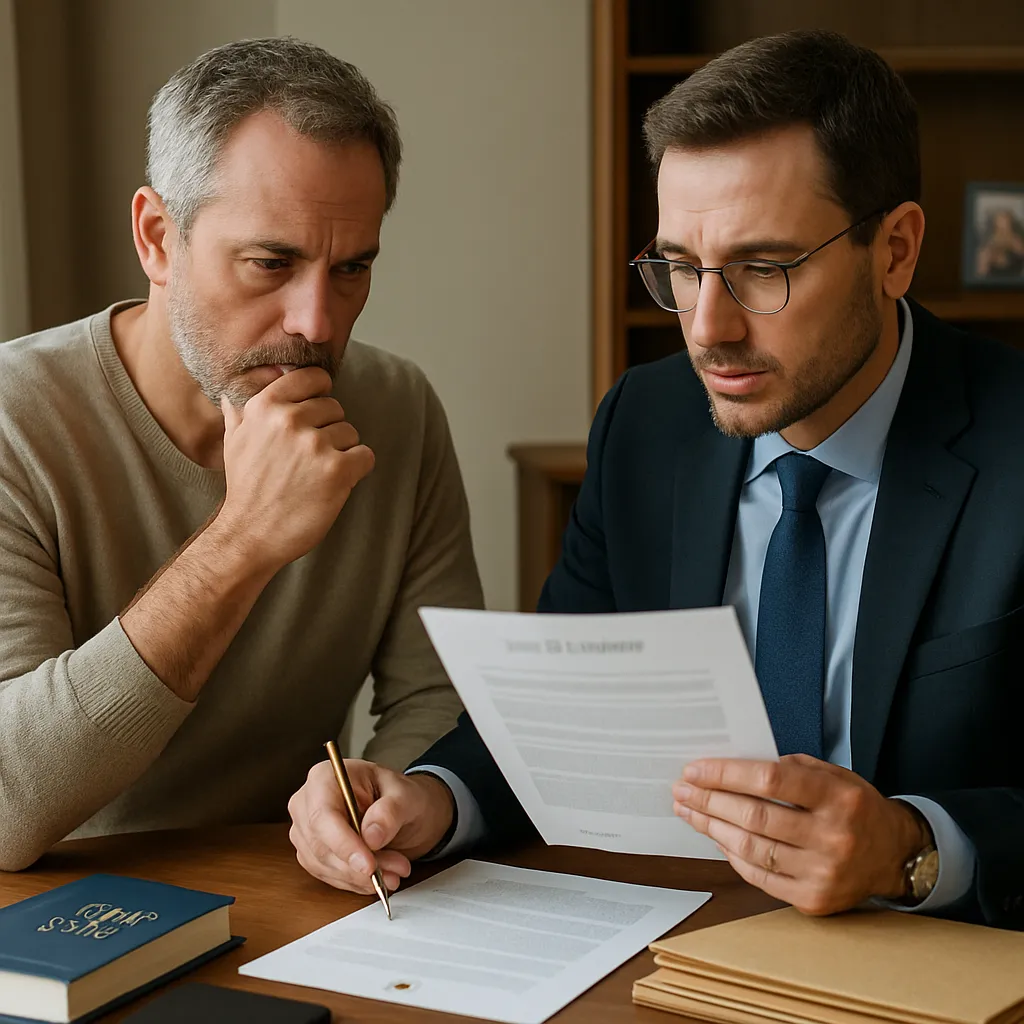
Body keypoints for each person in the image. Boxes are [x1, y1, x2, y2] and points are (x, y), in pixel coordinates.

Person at [291, 30, 1024, 931]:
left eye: (765, 268)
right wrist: (431, 799)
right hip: (671, 944)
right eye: (680, 266)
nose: (707, 327)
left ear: (896, 251)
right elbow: (562, 715)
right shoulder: (646, 424)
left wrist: (913, 849)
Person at [0, 37, 483, 871]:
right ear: (157, 238)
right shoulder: (17, 423)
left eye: (352, 268)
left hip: (300, 901)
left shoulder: (397, 412)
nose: (317, 323)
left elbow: (436, 698)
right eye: (271, 263)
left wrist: (376, 801)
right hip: (67, 922)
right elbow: (6, 808)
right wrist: (244, 539)